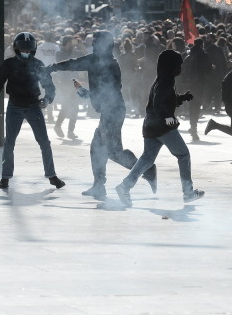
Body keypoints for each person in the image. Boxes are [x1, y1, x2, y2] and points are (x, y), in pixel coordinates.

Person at [44, 31, 155, 197]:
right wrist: (87, 93)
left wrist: (51, 69)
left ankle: (147, 169)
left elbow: (76, 66)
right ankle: (99, 185)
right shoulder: (103, 60)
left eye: (96, 42)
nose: (93, 45)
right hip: (110, 112)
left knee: (113, 151)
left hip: (112, 112)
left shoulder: (104, 62)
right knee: (97, 148)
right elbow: (77, 67)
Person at [115, 49, 203, 207]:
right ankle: (188, 192)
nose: (180, 68)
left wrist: (181, 98)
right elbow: (158, 103)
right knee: (183, 155)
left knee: (146, 159)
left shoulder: (161, 80)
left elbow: (166, 99)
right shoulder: (166, 82)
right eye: (178, 65)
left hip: (150, 126)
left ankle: (124, 186)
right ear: (172, 66)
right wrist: (167, 117)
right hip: (162, 127)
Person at [0, 32, 65, 190]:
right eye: (23, 49)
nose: (26, 52)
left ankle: (52, 176)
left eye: (28, 49)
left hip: (34, 106)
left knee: (44, 142)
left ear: (33, 49)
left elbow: (49, 86)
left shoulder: (38, 64)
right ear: (16, 48)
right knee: (9, 143)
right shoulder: (8, 64)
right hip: (14, 106)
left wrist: (47, 99)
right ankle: (5, 177)